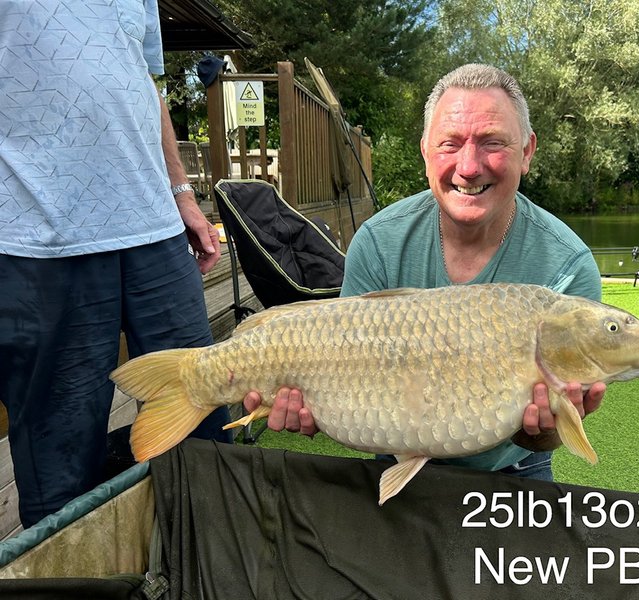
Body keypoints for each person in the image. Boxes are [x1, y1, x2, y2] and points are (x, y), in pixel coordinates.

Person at [244, 63, 605, 481]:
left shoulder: (567, 267)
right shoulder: (378, 241)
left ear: (526, 151)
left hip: (515, 467)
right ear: (425, 153)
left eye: (492, 143)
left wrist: (546, 429)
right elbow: (347, 401)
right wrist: (312, 409)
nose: (469, 166)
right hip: (393, 460)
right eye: (450, 144)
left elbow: (547, 435)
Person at [0, 0, 232, 528]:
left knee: (203, 419)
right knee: (60, 456)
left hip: (156, 230)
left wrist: (181, 193)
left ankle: (211, 559)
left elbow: (144, 83)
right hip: (40, 240)